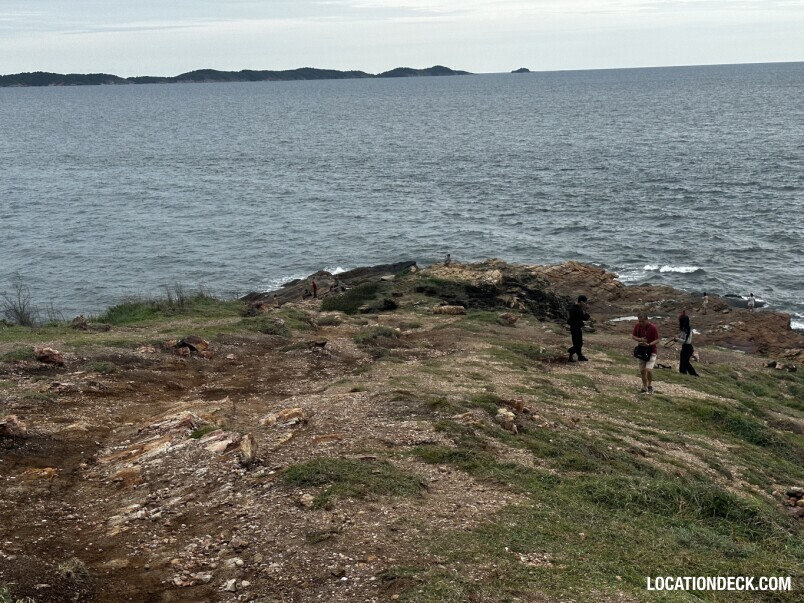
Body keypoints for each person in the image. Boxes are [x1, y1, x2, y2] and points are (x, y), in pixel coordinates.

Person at [632, 312, 660, 393]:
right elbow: (633, 336)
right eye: (639, 321)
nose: (641, 323)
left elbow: (657, 340)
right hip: (641, 351)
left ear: (647, 320)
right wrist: (640, 340)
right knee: (642, 371)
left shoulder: (653, 327)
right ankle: (644, 387)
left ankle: (649, 385)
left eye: (643, 321)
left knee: (648, 370)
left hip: (651, 351)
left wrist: (649, 344)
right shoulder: (637, 326)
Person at [567, 295, 591, 362]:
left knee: (576, 343)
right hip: (576, 328)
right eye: (584, 303)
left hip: (574, 327)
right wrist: (586, 311)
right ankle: (570, 351)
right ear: (581, 302)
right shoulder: (577, 309)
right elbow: (584, 318)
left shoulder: (574, 308)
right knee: (579, 344)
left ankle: (579, 356)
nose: (585, 304)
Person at [675, 310, 699, 377]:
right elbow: (682, 337)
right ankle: (684, 373)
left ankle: (693, 374)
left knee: (685, 361)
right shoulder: (685, 329)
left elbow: (686, 341)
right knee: (683, 361)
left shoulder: (687, 330)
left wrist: (677, 339)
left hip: (687, 347)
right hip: (686, 347)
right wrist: (678, 337)